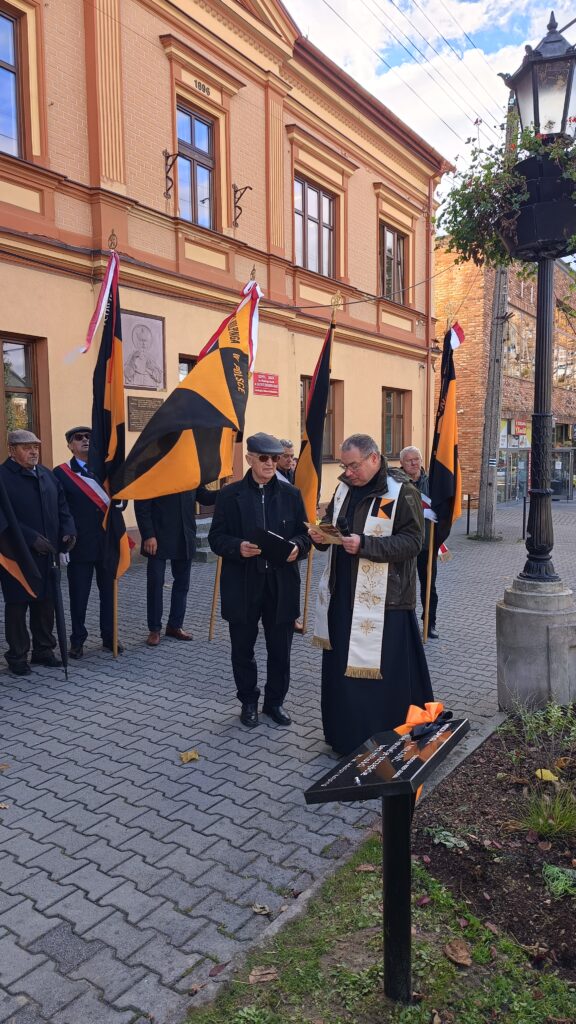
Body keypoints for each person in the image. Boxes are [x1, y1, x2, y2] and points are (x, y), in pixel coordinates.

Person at [309, 433, 433, 756]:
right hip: (342, 596)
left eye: (353, 465)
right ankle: (345, 736)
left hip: (386, 602)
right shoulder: (343, 488)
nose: (347, 472)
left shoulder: (400, 491)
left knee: (379, 678)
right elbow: (332, 523)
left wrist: (365, 545)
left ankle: (385, 737)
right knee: (343, 673)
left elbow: (413, 542)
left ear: (374, 459)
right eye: (344, 465)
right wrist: (321, 536)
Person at [208, 432, 310, 728]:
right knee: (242, 648)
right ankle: (248, 701)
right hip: (243, 583)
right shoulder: (229, 494)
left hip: (281, 584)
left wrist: (297, 548)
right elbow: (216, 538)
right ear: (249, 458)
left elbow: (305, 535)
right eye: (264, 458)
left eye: (276, 458)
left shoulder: (291, 494)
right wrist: (236, 547)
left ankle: (275, 702)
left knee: (281, 650)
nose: (270, 463)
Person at [0, 430, 76, 675]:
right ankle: (17, 656)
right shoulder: (2, 477)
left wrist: (68, 531)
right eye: (26, 447)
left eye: (36, 446)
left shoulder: (47, 475)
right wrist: (31, 538)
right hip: (16, 554)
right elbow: (3, 519)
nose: (33, 451)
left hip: (48, 553)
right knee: (18, 605)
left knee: (46, 603)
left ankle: (43, 650)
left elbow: (62, 506)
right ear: (12, 450)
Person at [53, 426, 124, 658]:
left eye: (89, 437)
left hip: (106, 544)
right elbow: (60, 510)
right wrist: (63, 544)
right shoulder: (61, 473)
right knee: (79, 596)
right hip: (80, 545)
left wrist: (122, 502)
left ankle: (109, 637)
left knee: (109, 594)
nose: (84, 441)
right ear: (70, 445)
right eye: (78, 438)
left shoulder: (105, 470)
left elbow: (117, 502)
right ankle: (78, 641)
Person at [135, 486, 217, 647]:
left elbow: (204, 497)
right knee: (155, 583)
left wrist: (225, 492)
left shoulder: (190, 469)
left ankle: (175, 625)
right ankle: (154, 629)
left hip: (184, 535)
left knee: (182, 584)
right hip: (157, 537)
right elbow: (142, 505)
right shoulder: (154, 467)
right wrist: (148, 534)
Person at [399, 446, 439, 639]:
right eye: (409, 460)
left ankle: (429, 624)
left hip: (427, 544)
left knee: (429, 586)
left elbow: (442, 505)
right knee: (404, 586)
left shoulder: (432, 482)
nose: (414, 463)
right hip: (404, 545)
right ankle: (408, 624)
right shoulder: (397, 483)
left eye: (417, 459)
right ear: (402, 464)